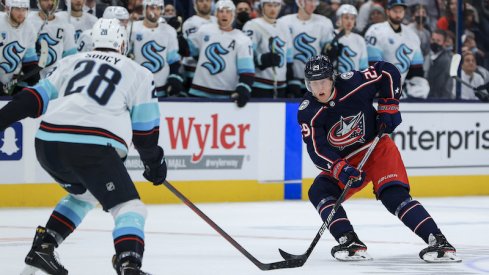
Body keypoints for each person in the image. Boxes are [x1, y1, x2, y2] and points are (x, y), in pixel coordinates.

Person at [0, 18, 166, 275]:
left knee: (84, 195)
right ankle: (129, 265)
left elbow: (31, 99)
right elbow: (145, 134)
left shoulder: (70, 62)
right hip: (92, 148)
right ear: (122, 43)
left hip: (48, 144)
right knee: (130, 207)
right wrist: (154, 163)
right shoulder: (138, 71)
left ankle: (44, 248)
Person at [298, 55, 461, 263]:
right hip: (348, 161)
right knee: (319, 191)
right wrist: (341, 168)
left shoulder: (352, 82)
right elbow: (316, 150)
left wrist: (389, 105)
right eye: (313, 83)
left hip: (377, 149)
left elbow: (387, 70)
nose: (318, 88)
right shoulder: (308, 112)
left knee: (393, 196)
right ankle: (349, 241)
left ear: (332, 78)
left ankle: (439, 242)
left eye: (323, 81)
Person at [186, 0, 255, 107]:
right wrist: (178, 37)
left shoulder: (243, 39)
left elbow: (247, 71)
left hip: (226, 95)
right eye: (221, 11)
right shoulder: (204, 30)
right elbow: (189, 51)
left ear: (233, 14)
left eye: (228, 11)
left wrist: (244, 88)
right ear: (216, 14)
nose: (224, 14)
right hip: (198, 91)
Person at [277, 0, 334, 96]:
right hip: (290, 78)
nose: (313, 5)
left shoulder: (324, 22)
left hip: (316, 79)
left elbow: (327, 53)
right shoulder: (283, 22)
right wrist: (290, 77)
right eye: (310, 1)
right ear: (300, 2)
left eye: (315, 2)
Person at [130, 0, 183, 97]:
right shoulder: (132, 28)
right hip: (137, 87)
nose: (155, 11)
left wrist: (174, 77)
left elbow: (173, 59)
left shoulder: (169, 31)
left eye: (158, 8)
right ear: (145, 8)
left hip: (161, 87)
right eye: (152, 8)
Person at [242, 0, 293, 98]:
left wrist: (291, 82)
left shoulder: (285, 27)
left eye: (276, 5)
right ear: (262, 6)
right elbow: (245, 54)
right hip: (259, 85)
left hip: (281, 86)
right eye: (269, 5)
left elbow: (289, 59)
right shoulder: (252, 25)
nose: (273, 9)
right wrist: (261, 60)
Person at [27, 0, 77, 78]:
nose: (50, 3)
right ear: (38, 2)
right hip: (28, 78)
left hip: (53, 80)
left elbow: (70, 57)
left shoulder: (65, 25)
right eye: (46, 0)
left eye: (53, 0)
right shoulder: (27, 21)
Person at [0, 0, 39, 96]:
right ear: (8, 8)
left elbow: (29, 60)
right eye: (17, 9)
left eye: (24, 9)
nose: (21, 13)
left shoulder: (29, 28)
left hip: (9, 82)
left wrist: (33, 74)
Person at [181, 0, 216, 88]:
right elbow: (195, 50)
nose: (205, 3)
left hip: (215, 70)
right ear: (195, 4)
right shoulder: (190, 23)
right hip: (194, 70)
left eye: (207, 1)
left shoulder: (217, 21)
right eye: (201, 1)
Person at [324, 4, 368, 74]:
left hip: (353, 81)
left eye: (352, 18)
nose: (349, 21)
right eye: (346, 18)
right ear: (339, 19)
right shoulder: (330, 35)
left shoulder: (360, 39)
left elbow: (363, 66)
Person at [427, 29, 453, 99]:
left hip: (439, 100)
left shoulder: (445, 60)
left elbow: (440, 85)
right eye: (433, 40)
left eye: (438, 41)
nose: (434, 43)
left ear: (444, 43)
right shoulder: (428, 56)